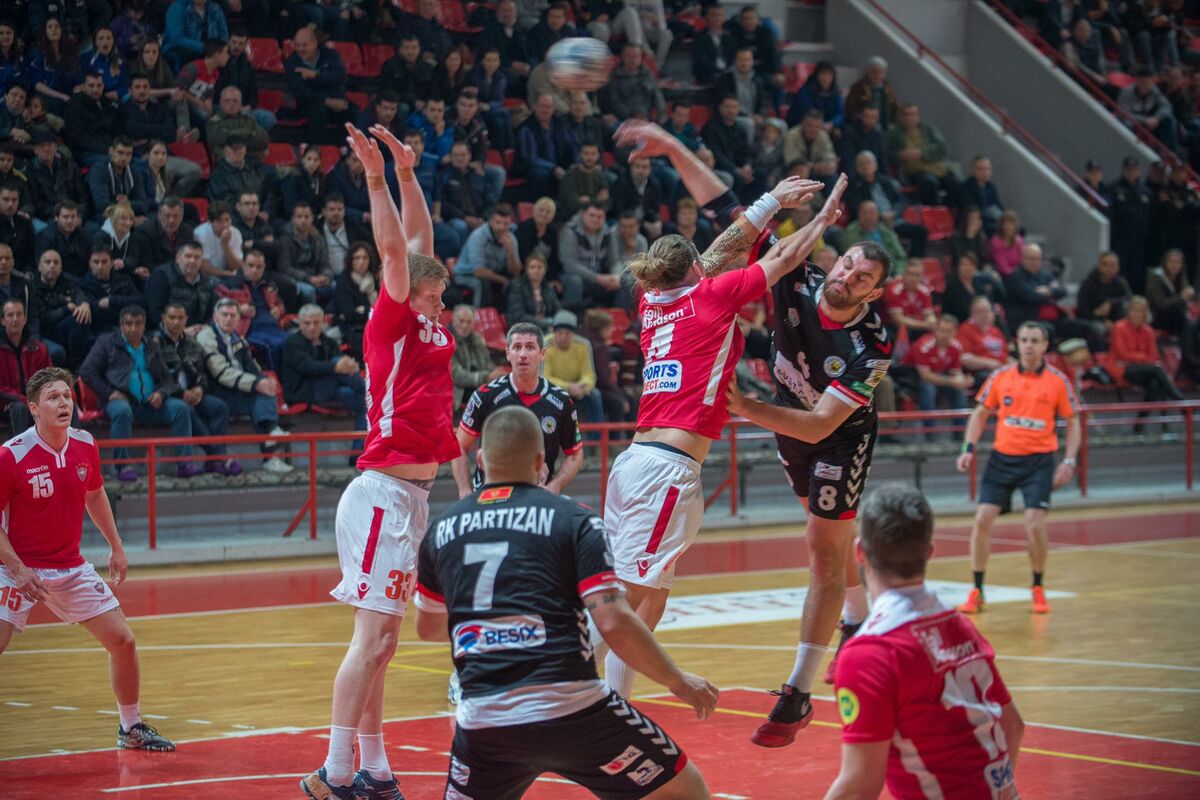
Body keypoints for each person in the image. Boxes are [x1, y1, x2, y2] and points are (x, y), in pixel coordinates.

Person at [605, 119, 843, 707]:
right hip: (665, 468)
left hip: (640, 461)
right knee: (631, 600)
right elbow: (779, 256)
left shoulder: (652, 300)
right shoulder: (710, 296)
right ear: (694, 270)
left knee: (646, 595)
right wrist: (818, 220)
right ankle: (559, 684)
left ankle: (609, 700)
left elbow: (723, 248)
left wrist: (769, 202)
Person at [415, 405, 718, 799]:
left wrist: (492, 631)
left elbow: (429, 628)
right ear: (540, 463)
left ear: (482, 460)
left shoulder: (443, 529)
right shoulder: (574, 519)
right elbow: (614, 622)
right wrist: (678, 681)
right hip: (573, 712)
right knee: (686, 790)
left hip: (485, 721)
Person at [300, 123, 459, 800]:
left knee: (385, 645)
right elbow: (397, 248)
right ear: (406, 290)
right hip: (382, 492)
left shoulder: (425, 314)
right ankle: (335, 773)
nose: (442, 303)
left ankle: (375, 767)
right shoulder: (392, 316)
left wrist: (408, 172)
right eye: (433, 294)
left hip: (411, 497)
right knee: (371, 642)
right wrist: (374, 178)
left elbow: (419, 238)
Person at [0, 367, 177, 751]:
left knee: (123, 641)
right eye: (53, 397)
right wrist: (17, 569)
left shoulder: (84, 443)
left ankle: (130, 728)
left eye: (67, 395)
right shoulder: (11, 455)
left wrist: (116, 545)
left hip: (69, 566)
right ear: (34, 408)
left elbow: (94, 494)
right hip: (14, 567)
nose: (64, 403)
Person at [822, 484, 1024, 800]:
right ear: (929, 551)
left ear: (859, 552)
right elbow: (1013, 725)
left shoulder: (870, 653)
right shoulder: (957, 624)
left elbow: (860, 784)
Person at [956, 321, 1082, 615]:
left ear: (1045, 346)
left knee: (1034, 523)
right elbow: (980, 413)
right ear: (1017, 343)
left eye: (1034, 341)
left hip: (1039, 461)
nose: (1028, 346)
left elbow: (1073, 421)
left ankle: (1038, 587)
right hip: (1002, 459)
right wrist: (968, 449)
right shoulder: (1001, 376)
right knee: (982, 519)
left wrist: (1069, 460)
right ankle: (977, 590)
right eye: (1024, 340)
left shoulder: (1057, 381)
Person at [453, 321, 582, 496]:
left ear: (542, 354)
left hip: (535, 497)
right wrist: (465, 491)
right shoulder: (484, 396)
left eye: (529, 347)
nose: (522, 354)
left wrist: (555, 486)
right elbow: (459, 445)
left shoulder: (561, 400)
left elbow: (575, 454)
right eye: (517, 347)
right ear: (508, 353)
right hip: (489, 498)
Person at [79, 305, 201, 481]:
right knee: (122, 411)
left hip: (150, 403)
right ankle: (123, 466)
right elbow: (87, 370)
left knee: (181, 409)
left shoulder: (151, 344)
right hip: (118, 401)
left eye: (138, 323)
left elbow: (168, 380)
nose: (133, 328)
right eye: (128, 323)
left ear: (144, 325)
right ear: (121, 324)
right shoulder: (107, 342)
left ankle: (185, 464)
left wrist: (161, 394)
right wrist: (109, 393)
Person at [194, 298, 293, 474]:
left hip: (236, 389)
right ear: (215, 316)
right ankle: (271, 445)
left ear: (239, 319)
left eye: (233, 315)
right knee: (260, 395)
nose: (228, 319)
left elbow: (252, 366)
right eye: (224, 314)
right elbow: (220, 372)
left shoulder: (238, 338)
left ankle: (272, 436)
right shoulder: (206, 336)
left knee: (265, 392)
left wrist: (263, 380)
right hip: (213, 390)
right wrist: (256, 383)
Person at [154, 301, 239, 475]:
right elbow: (158, 377)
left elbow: (202, 372)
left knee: (219, 407)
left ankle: (213, 460)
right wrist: (181, 393)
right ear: (163, 318)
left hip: (192, 393)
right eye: (172, 317)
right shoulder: (154, 342)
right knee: (186, 410)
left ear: (186, 319)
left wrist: (200, 388)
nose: (176, 322)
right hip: (168, 395)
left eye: (180, 318)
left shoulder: (192, 342)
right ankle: (220, 456)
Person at [281, 304, 367, 433]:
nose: (312, 327)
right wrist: (336, 367)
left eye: (316, 323)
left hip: (330, 387)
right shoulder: (292, 344)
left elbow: (342, 364)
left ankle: (360, 445)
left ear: (323, 323)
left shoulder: (329, 341)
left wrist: (350, 365)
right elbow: (308, 367)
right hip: (304, 391)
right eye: (307, 323)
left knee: (363, 400)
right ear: (300, 324)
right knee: (336, 362)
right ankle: (370, 390)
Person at [1108, 295, 1185, 402]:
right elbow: (1123, 354)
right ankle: (1180, 400)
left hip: (1144, 368)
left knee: (1154, 383)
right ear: (1128, 312)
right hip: (1122, 369)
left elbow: (1153, 356)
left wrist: (1139, 359)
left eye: (1139, 311)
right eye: (1133, 310)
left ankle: (1144, 413)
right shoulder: (1118, 327)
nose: (1136, 314)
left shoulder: (1149, 331)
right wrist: (1143, 357)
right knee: (1156, 369)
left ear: (1145, 314)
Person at [284, 26, 353, 145]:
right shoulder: (292, 62)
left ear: (314, 44)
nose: (301, 49)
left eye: (304, 45)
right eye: (297, 45)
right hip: (309, 104)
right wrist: (326, 101)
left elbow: (340, 77)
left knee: (352, 112)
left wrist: (316, 74)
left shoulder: (331, 55)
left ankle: (349, 151)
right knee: (318, 112)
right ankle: (314, 150)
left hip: (335, 99)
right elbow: (300, 92)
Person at [543, 309, 604, 426]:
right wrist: (568, 387)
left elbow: (589, 374)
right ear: (553, 332)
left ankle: (596, 435)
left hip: (578, 388)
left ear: (573, 334)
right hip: (555, 388)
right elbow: (544, 378)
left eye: (567, 333)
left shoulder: (584, 345)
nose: (563, 337)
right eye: (560, 333)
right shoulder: (545, 345)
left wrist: (584, 386)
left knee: (595, 395)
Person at [911, 314, 974, 425]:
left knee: (960, 388)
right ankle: (930, 429)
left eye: (949, 332)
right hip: (915, 376)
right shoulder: (924, 346)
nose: (945, 335)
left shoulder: (956, 347)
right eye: (942, 331)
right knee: (928, 388)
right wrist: (952, 381)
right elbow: (925, 376)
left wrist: (964, 380)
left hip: (941, 376)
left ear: (955, 332)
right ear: (936, 330)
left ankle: (960, 429)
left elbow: (956, 372)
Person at [454, 204, 521, 308]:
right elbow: (479, 271)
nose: (501, 227)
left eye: (506, 224)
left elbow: (516, 272)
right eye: (498, 222)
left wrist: (510, 253)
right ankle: (481, 316)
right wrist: (504, 280)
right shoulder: (479, 236)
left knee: (516, 284)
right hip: (465, 274)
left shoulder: (511, 239)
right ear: (491, 222)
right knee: (482, 284)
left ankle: (509, 316)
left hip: (493, 273)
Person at [0, 299, 52, 429]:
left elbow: (49, 380)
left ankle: (72, 442)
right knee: (20, 409)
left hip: (35, 403)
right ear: (2, 320)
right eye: (10, 315)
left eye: (19, 314)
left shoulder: (39, 349)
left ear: (25, 319)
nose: (15, 319)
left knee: (67, 404)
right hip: (6, 405)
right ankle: (20, 444)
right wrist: (25, 401)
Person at [143, 240, 217, 329]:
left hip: (200, 331)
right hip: (167, 332)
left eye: (197, 257)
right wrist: (182, 331)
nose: (192, 261)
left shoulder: (207, 282)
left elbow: (212, 313)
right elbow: (154, 313)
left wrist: (205, 328)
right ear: (178, 258)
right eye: (188, 256)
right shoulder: (161, 276)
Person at [1146, 248, 1195, 336]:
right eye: (1171, 262)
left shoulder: (1181, 277)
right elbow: (1161, 304)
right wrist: (1181, 297)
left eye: (1178, 262)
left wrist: (1189, 294)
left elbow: (1185, 300)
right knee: (1178, 313)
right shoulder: (1156, 277)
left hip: (1177, 316)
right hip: (1157, 315)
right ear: (1165, 263)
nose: (1174, 265)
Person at [884, 258, 937, 336]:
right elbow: (898, 320)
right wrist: (925, 325)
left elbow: (929, 314)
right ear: (904, 274)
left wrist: (932, 321)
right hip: (892, 327)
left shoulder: (924, 291)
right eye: (911, 274)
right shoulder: (894, 289)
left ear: (922, 276)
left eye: (917, 275)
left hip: (916, 325)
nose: (913, 278)